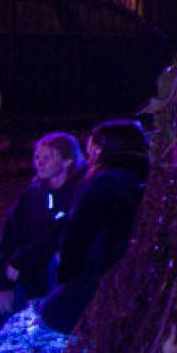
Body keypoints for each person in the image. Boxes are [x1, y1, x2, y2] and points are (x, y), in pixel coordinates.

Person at [0, 132, 85, 340]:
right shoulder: (31, 195)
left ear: (67, 161)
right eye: (37, 157)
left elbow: (59, 237)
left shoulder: (79, 192)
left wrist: (21, 260)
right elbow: (8, 239)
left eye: (47, 157)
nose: (39, 163)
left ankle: (55, 311)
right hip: (28, 276)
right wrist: (5, 283)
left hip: (58, 274)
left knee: (58, 259)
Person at [36, 119, 151, 334]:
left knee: (52, 313)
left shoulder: (103, 182)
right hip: (130, 264)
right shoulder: (143, 175)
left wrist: (67, 275)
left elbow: (79, 233)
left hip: (103, 268)